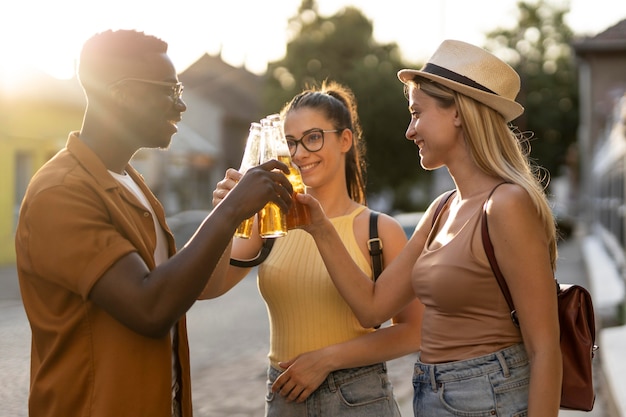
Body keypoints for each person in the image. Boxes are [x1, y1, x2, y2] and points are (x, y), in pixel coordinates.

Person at [14, 29, 293, 417]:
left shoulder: (131, 182)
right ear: (121, 92)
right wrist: (228, 211)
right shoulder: (61, 192)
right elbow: (150, 307)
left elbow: (187, 286)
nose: (180, 107)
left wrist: (243, 223)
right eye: (168, 91)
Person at [295, 40, 562, 416]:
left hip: (488, 396)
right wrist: (319, 226)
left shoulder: (507, 204)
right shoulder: (441, 209)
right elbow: (373, 308)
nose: (410, 130)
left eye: (417, 113)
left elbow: (545, 347)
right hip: (430, 394)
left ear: (457, 112)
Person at [205, 80, 423, 416]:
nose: (300, 153)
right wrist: (223, 218)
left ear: (345, 140)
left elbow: (413, 332)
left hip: (358, 398)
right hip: (284, 399)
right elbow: (209, 287)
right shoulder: (268, 224)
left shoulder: (379, 230)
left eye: (313, 137)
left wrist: (327, 359)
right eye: (290, 142)